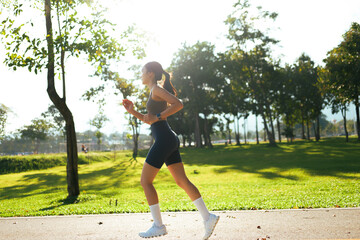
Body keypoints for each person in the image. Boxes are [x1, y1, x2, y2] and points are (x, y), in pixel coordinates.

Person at [122, 61, 219, 239]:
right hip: (167, 139)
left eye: (142, 72)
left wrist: (158, 116)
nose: (140, 75)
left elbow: (178, 104)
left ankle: (158, 225)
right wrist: (132, 111)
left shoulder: (157, 89)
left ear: (151, 73)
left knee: (145, 182)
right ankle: (208, 217)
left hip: (165, 140)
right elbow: (148, 119)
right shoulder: (153, 91)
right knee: (182, 181)